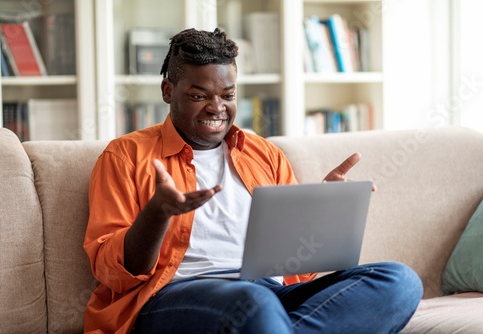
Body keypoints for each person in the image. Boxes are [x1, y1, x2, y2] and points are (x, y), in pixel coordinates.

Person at [83, 28, 423, 334]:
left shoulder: (264, 153)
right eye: (199, 96)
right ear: (168, 91)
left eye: (228, 95)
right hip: (171, 297)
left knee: (399, 281)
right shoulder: (126, 156)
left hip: (267, 293)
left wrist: (321, 216)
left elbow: (297, 270)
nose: (217, 108)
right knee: (253, 303)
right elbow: (113, 274)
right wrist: (157, 214)